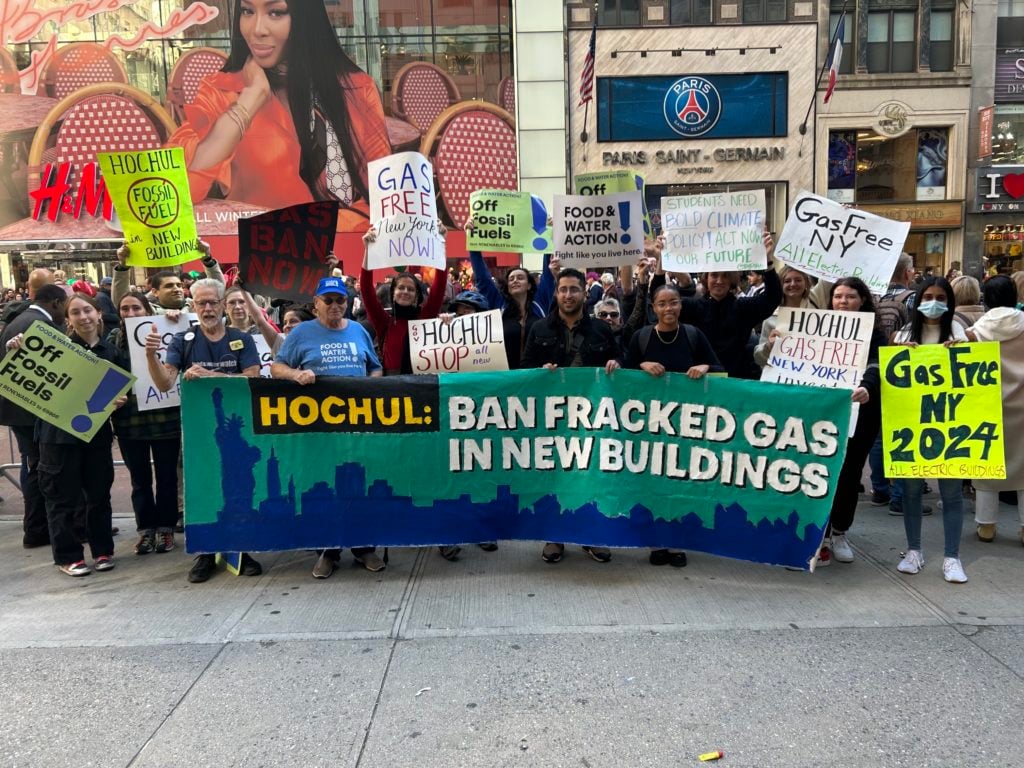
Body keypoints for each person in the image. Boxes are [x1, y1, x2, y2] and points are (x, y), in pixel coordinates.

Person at [167, 0, 391, 231]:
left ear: (306, 18)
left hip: (339, 256)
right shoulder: (222, 92)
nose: (257, 29)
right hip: (256, 257)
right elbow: (169, 196)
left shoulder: (355, 89)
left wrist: (310, 231)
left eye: (276, 13)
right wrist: (248, 103)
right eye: (247, 11)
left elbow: (385, 199)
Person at [145, 279, 263, 583]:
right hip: (199, 434)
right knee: (203, 489)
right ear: (193, 306)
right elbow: (164, 383)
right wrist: (149, 356)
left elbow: (252, 379)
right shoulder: (183, 341)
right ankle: (206, 553)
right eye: (201, 304)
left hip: (238, 433)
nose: (208, 309)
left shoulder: (241, 339)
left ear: (223, 304)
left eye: (213, 302)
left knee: (240, 489)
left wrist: (210, 375)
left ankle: (242, 549)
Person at [272, 276, 384, 577]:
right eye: (328, 300)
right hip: (319, 428)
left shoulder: (358, 330)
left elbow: (375, 366)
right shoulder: (301, 333)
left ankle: (364, 549)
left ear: (347, 304)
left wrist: (371, 389)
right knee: (323, 486)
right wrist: (295, 375)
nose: (335, 305)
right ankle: (327, 551)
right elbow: (276, 367)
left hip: (358, 427)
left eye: (340, 301)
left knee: (360, 485)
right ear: (316, 304)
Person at [522, 267, 620, 564]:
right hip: (553, 420)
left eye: (574, 289)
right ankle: (555, 537)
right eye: (562, 289)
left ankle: (591, 536)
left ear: (584, 292)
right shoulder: (539, 329)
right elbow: (524, 368)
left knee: (591, 476)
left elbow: (621, 359)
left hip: (591, 419)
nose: (568, 295)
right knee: (554, 477)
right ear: (556, 293)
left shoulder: (601, 329)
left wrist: (616, 363)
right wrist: (539, 373)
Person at [623, 282, 723, 567]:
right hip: (650, 429)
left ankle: (677, 541)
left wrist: (705, 367)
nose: (669, 308)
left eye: (674, 302)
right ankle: (657, 542)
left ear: (681, 305)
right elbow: (623, 373)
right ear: (653, 308)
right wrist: (641, 366)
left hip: (686, 430)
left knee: (681, 485)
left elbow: (718, 369)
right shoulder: (641, 338)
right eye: (662, 303)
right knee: (653, 486)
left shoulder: (693, 335)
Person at [33, 295, 125, 576]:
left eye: (87, 310)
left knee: (99, 496)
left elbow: (119, 392)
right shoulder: (55, 349)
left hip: (95, 437)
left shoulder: (111, 353)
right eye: (76, 312)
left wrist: (120, 400)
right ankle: (68, 556)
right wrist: (17, 347)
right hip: (57, 438)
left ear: (98, 314)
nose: (83, 317)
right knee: (62, 499)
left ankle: (102, 551)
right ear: (68, 319)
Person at [891, 277, 969, 583]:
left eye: (939, 297)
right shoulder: (902, 335)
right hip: (912, 425)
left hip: (949, 427)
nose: (933, 302)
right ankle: (914, 551)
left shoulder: (959, 333)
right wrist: (897, 351)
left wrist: (964, 350)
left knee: (951, 492)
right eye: (927, 296)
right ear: (918, 300)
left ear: (948, 302)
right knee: (911, 491)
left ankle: (952, 557)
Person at [817, 277, 886, 567]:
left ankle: (840, 532)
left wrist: (867, 386)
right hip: (824, 414)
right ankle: (818, 534)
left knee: (849, 474)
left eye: (850, 296)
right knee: (820, 473)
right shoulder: (817, 330)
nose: (843, 302)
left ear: (863, 300)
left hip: (862, 413)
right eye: (838, 296)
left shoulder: (876, 335)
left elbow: (877, 365)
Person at [108, 291, 182, 556]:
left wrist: (175, 318)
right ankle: (146, 531)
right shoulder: (113, 341)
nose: (130, 314)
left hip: (165, 420)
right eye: (125, 309)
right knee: (139, 481)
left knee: (166, 478)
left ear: (147, 309)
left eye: (136, 308)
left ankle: (165, 529)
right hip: (130, 423)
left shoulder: (166, 332)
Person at [0, 284, 66, 549]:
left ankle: (37, 527)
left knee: (33, 467)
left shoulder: (20, 320)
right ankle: (38, 528)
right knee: (40, 470)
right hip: (30, 413)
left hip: (18, 410)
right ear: (55, 303)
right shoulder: (40, 325)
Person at [966, 276, 1024, 545]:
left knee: (987, 466)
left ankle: (986, 525)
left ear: (986, 298)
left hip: (988, 405)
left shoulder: (976, 330)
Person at [360, 226, 448, 374]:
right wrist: (368, 251)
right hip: (393, 389)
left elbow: (439, 287)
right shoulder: (384, 322)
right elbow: (367, 291)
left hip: (422, 386)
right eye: (401, 288)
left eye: (411, 289)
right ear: (393, 292)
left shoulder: (425, 317)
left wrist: (441, 243)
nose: (405, 292)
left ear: (416, 295)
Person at [112, 241, 225, 313]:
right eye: (169, 286)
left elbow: (218, 290)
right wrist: (123, 267)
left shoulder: (196, 306)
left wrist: (208, 260)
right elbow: (122, 300)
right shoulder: (147, 311)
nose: (176, 289)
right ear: (155, 292)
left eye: (179, 285)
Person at [753, 266, 817, 369]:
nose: (793, 284)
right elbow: (758, 359)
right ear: (780, 285)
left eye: (798, 280)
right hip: (783, 378)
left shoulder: (816, 303)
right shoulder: (771, 317)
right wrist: (769, 346)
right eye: (787, 281)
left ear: (806, 283)